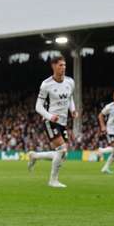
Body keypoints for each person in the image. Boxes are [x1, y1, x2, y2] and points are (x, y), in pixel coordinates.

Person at [26, 55, 78, 188]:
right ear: (53, 66)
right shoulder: (46, 84)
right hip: (50, 121)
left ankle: (35, 156)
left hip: (63, 121)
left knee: (63, 154)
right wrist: (49, 116)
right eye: (61, 65)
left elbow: (70, 98)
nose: (63, 68)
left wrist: (73, 110)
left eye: (65, 65)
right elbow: (38, 106)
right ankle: (53, 181)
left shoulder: (70, 82)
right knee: (61, 149)